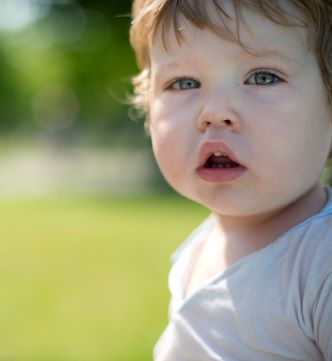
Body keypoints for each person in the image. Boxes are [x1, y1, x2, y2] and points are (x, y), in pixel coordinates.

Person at [128, 0, 332, 360]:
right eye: (184, 82)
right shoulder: (199, 245)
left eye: (263, 77)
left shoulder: (320, 263)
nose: (214, 113)